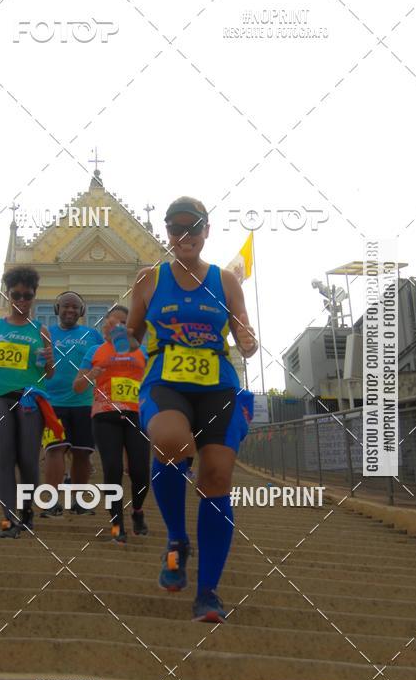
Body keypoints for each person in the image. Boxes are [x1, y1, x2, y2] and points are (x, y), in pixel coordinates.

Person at [127, 196, 257, 623]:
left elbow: (242, 329)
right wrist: (123, 345)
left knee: (216, 477)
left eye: (193, 227)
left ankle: (207, 593)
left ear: (206, 231)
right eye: (176, 227)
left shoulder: (226, 281)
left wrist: (247, 340)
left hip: (218, 386)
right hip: (166, 381)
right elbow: (132, 331)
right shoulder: (149, 279)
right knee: (170, 443)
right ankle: (178, 539)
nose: (184, 235)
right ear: (167, 232)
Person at [0, 266, 54, 538]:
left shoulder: (41, 330)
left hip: (30, 397)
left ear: (34, 296)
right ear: (8, 295)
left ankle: (27, 511)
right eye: (16, 295)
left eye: (27, 295)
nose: (21, 300)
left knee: (29, 459)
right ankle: (8, 518)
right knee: (3, 458)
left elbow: (49, 373)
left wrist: (49, 361)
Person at [74, 305, 150, 542]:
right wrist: (91, 375)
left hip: (136, 414)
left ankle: (137, 510)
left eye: (122, 322)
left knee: (140, 471)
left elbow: (155, 380)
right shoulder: (95, 351)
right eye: (111, 321)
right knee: (112, 469)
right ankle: (117, 523)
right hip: (104, 415)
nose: (115, 326)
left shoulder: (141, 351)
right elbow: (77, 386)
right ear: (105, 325)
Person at [41, 291, 104, 518]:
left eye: (75, 307)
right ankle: (51, 502)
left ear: (82, 311)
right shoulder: (46, 334)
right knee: (54, 449)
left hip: (85, 403)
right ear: (57, 309)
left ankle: (78, 501)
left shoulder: (93, 335)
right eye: (66, 306)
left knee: (82, 453)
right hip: (51, 403)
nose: (70, 310)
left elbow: (106, 360)